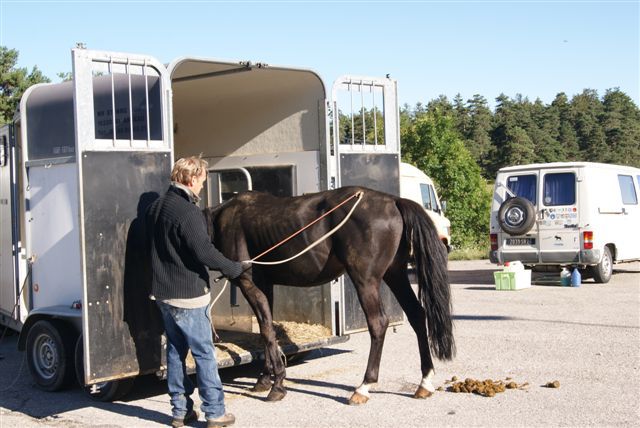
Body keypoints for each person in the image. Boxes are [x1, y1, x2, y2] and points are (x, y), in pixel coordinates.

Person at [146, 155, 247, 428]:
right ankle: (215, 413)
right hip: (188, 295)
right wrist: (233, 268)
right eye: (202, 181)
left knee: (175, 351)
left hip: (163, 294)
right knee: (204, 354)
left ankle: (180, 411)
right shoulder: (188, 212)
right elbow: (204, 252)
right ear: (191, 179)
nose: (202, 186)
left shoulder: (156, 207)